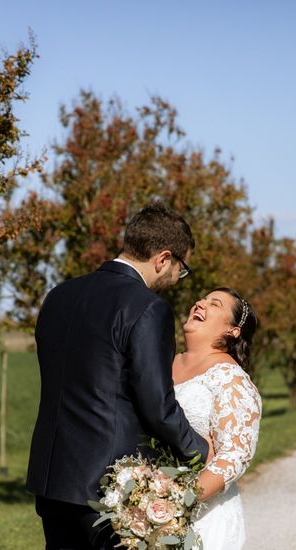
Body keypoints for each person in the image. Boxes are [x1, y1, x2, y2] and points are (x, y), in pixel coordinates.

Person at [27, 204, 213, 550]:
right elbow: (157, 404)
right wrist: (200, 450)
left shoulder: (58, 296)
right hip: (108, 488)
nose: (176, 279)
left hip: (51, 479)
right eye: (181, 269)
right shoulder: (147, 308)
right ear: (163, 258)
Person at [173, 287, 262, 550]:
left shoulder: (231, 379)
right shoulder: (159, 362)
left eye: (215, 304)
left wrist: (177, 500)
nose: (200, 303)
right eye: (201, 299)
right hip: (143, 503)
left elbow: (234, 457)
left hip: (204, 517)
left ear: (233, 330)